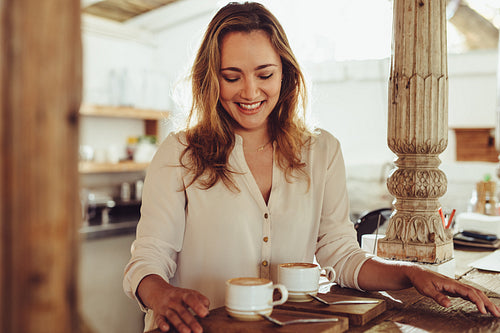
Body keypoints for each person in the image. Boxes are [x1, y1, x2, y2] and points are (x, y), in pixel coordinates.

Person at [123, 2, 500, 333]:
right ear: (211, 78)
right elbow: (149, 257)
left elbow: (341, 255)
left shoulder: (321, 152)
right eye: (231, 76)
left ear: (285, 73)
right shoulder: (180, 153)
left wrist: (411, 274)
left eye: (265, 74)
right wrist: (162, 294)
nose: (250, 92)